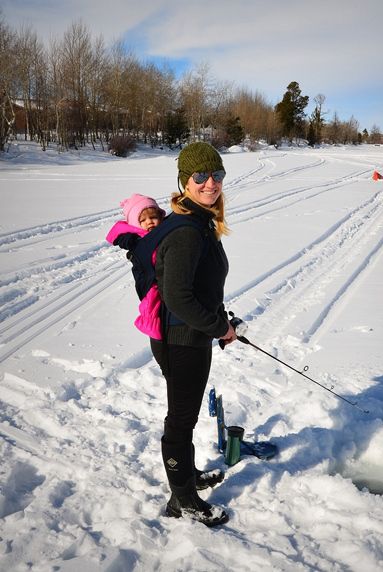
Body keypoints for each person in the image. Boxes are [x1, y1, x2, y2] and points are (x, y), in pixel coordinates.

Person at [150, 142, 236, 527]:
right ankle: (181, 499)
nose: (210, 183)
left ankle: (186, 478)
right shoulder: (186, 231)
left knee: (185, 413)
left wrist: (220, 317)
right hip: (182, 338)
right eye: (200, 176)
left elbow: (198, 287)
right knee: (181, 419)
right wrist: (219, 326)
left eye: (216, 175)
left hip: (192, 335)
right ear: (184, 181)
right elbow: (178, 297)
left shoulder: (200, 220)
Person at [106, 194, 166, 339]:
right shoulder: (137, 238)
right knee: (151, 299)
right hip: (148, 279)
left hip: (159, 275)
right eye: (143, 220)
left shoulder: (162, 232)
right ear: (135, 224)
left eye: (153, 217)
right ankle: (149, 324)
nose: (149, 222)